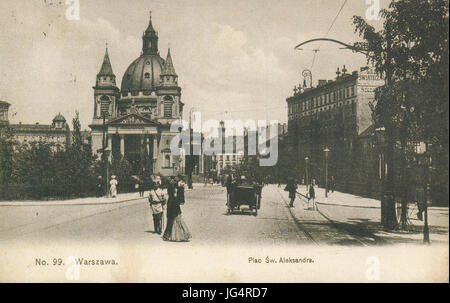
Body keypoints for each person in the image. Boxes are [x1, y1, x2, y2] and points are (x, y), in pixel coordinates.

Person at [163, 176, 191, 242]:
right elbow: (179, 199)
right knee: (174, 220)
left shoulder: (173, 189)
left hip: (172, 205)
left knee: (171, 221)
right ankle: (169, 235)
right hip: (174, 206)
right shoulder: (174, 189)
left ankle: (167, 235)